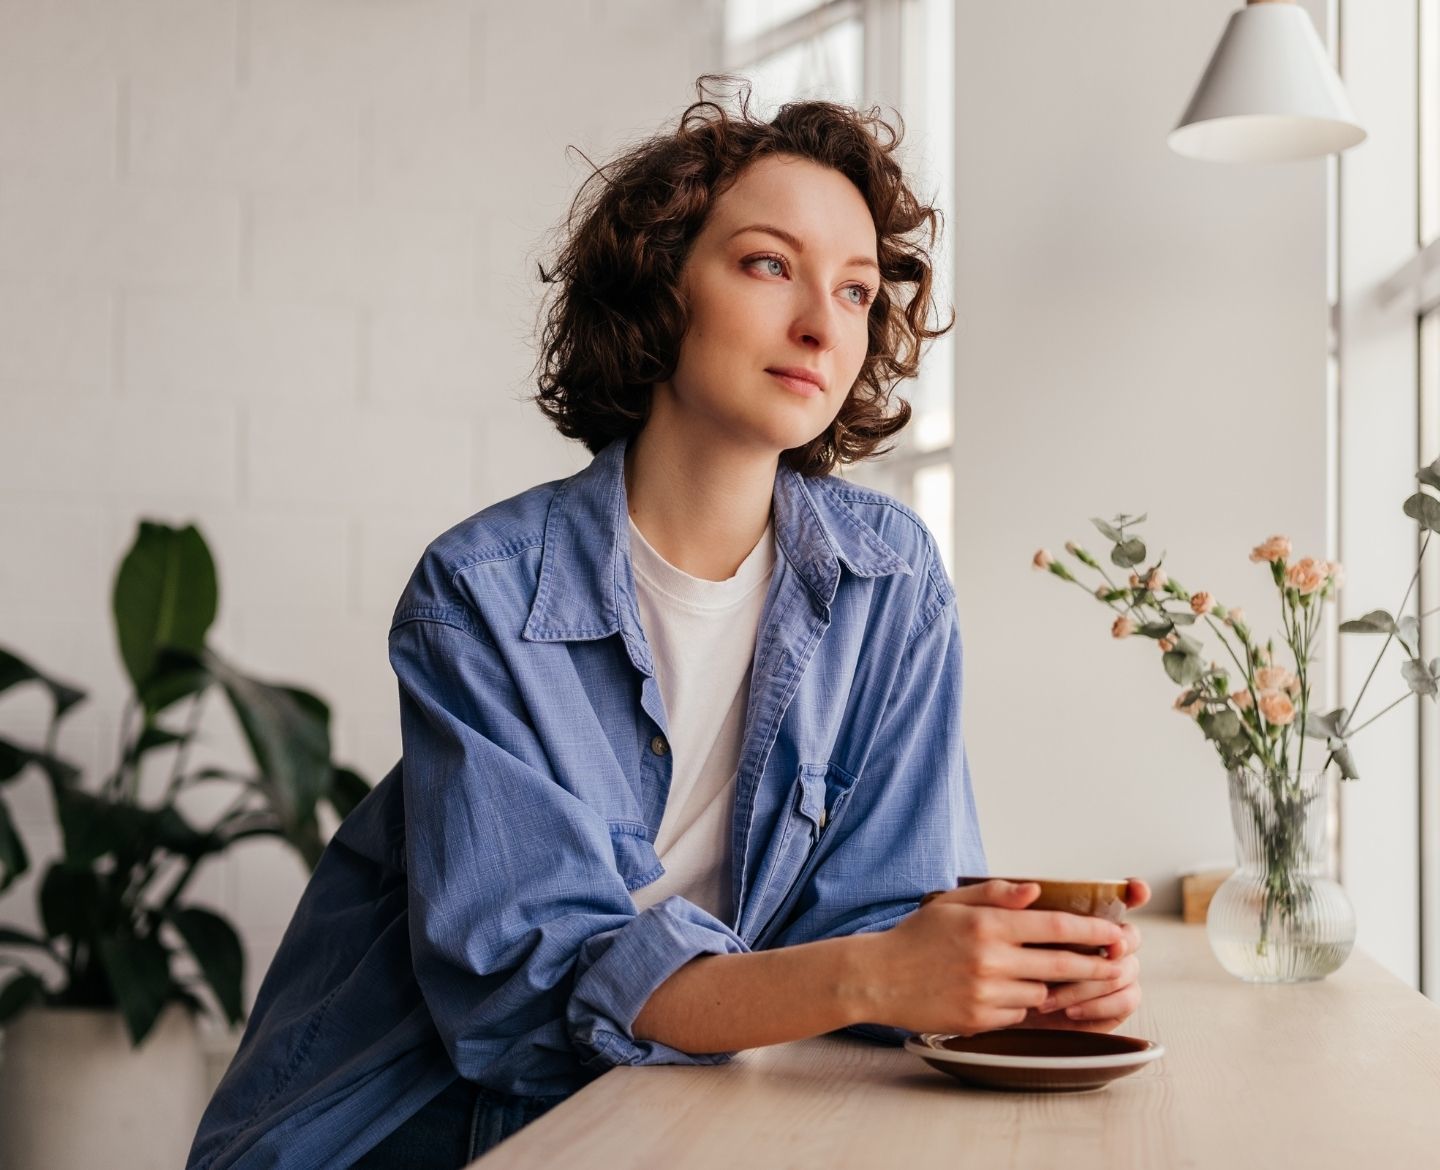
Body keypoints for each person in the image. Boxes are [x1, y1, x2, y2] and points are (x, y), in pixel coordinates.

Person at [185, 76, 1148, 1170]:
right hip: (423, 1120)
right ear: (659, 284)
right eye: (768, 264)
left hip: (709, 1112)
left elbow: (881, 918)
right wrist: (877, 974)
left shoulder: (894, 581)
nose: (818, 324)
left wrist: (1000, 981)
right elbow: (523, 992)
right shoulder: (482, 594)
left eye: (857, 291)